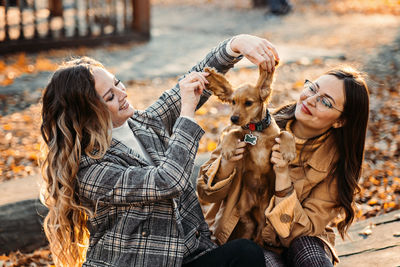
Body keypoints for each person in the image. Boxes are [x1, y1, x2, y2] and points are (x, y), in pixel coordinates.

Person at [40, 34, 280, 266]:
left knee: (245, 253)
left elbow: (194, 82)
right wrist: (186, 112)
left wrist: (235, 45)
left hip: (191, 256)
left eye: (117, 83)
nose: (123, 94)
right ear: (88, 115)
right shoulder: (91, 170)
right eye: (110, 96)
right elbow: (168, 181)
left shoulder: (145, 123)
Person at [197, 65, 369, 266]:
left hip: (299, 236)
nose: (310, 100)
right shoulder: (248, 123)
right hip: (247, 235)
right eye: (313, 88)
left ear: (340, 121)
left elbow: (306, 229)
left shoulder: (337, 163)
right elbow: (205, 193)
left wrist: (283, 177)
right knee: (263, 260)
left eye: (325, 101)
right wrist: (227, 162)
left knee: (312, 256)